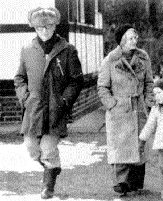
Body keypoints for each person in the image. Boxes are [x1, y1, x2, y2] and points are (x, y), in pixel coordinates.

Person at [14, 7, 84, 199]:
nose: (44, 31)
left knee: (48, 148)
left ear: (55, 26)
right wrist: (25, 97)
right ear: (34, 28)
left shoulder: (67, 50)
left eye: (48, 26)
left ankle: (48, 186)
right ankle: (52, 168)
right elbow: (19, 78)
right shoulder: (27, 50)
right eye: (39, 27)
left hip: (56, 108)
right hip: (34, 109)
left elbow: (76, 80)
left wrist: (64, 100)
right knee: (31, 147)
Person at [97, 24, 155, 196]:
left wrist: (148, 101)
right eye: (130, 38)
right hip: (119, 110)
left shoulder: (143, 58)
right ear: (121, 40)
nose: (134, 41)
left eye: (136, 37)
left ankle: (136, 182)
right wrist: (112, 104)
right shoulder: (110, 60)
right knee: (120, 145)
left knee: (139, 144)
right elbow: (102, 87)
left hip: (139, 107)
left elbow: (149, 83)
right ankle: (121, 182)